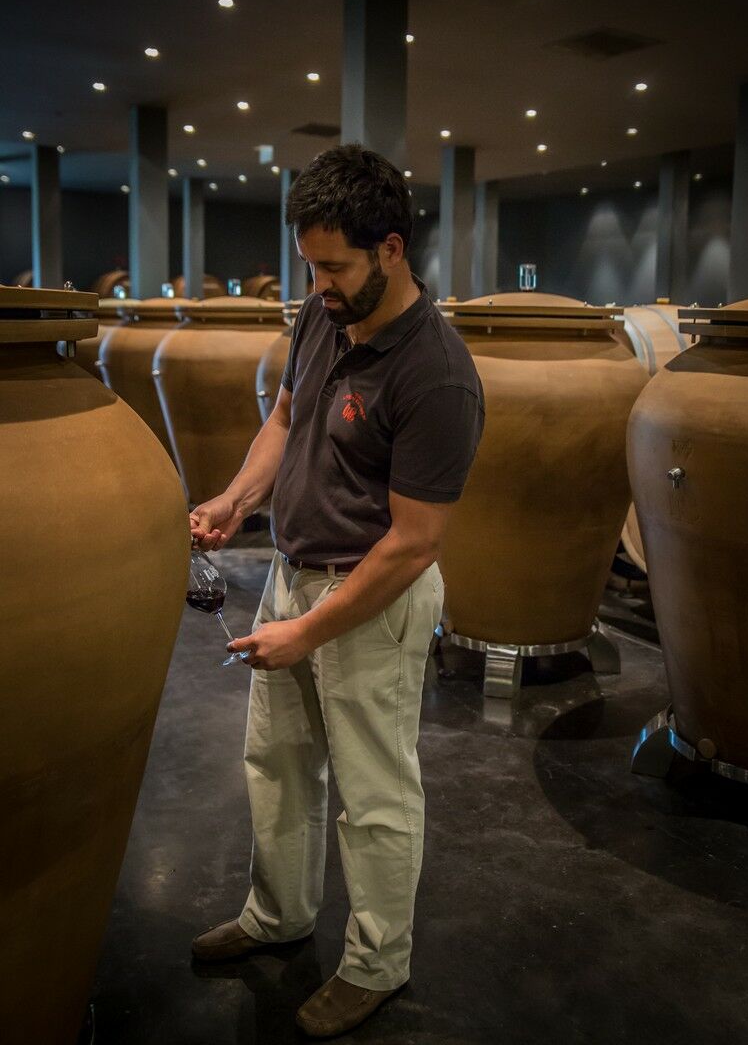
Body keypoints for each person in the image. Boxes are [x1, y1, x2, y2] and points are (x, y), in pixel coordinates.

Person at [189, 144, 484, 1038]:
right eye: (309, 263)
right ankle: (278, 916)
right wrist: (237, 500)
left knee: (375, 793)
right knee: (275, 765)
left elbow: (414, 545)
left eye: (332, 266)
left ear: (390, 249)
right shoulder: (323, 317)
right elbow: (287, 417)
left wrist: (309, 632)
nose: (316, 284)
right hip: (291, 576)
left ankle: (376, 963)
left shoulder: (436, 374)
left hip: (370, 603)